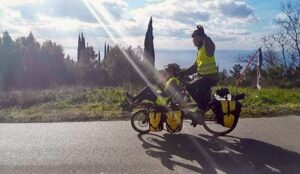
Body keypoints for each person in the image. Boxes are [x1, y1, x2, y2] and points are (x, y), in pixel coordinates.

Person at [183, 25, 218, 111]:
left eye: (195, 38)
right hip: (203, 77)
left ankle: (202, 108)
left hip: (209, 77)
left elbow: (211, 46)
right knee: (190, 85)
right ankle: (204, 105)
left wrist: (204, 35)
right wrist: (183, 73)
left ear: (201, 38)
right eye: (193, 39)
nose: (193, 41)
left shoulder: (207, 49)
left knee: (190, 87)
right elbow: (195, 66)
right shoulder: (199, 50)